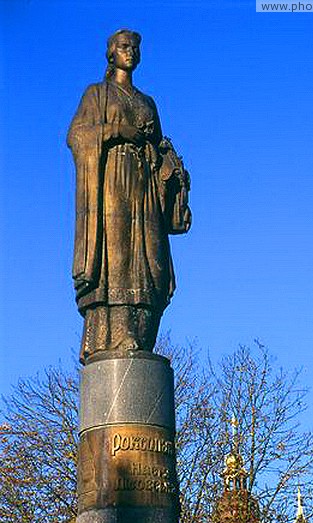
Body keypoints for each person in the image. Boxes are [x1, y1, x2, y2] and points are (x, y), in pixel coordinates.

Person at [68, 29, 191, 364]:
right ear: (111, 53)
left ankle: (143, 334)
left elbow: (160, 147)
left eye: (135, 47)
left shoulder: (148, 102)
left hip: (145, 188)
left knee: (152, 261)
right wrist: (117, 131)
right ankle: (119, 336)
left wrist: (172, 170)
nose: (131, 52)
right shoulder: (97, 94)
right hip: (113, 184)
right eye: (124, 47)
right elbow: (77, 136)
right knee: (118, 258)